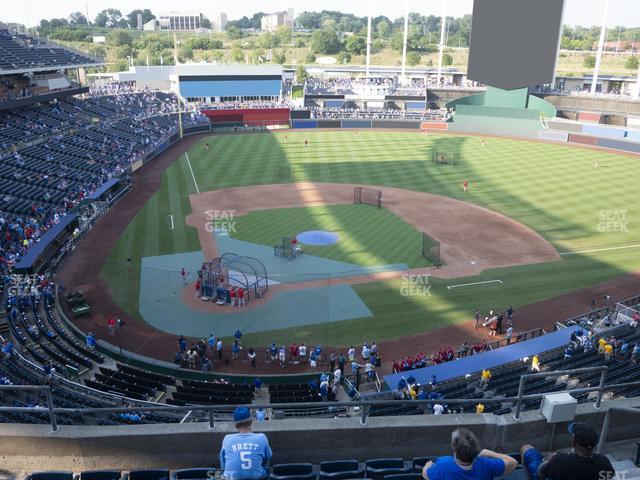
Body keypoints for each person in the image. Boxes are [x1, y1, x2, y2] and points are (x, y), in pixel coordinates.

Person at [521, 422, 615, 480]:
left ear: (573, 441)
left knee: (526, 448)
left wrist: (548, 460)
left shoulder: (561, 459)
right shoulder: (604, 461)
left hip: (549, 470)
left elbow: (540, 474)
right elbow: (608, 476)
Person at [422, 428, 517, 480]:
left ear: (454, 448)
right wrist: (489, 453)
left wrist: (427, 465)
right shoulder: (487, 464)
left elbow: (426, 475)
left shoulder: (444, 464)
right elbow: (513, 462)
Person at [220, 407, 272, 480]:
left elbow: (223, 464)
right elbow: (267, 458)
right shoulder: (262, 437)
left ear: (235, 423)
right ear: (250, 421)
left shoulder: (227, 439)